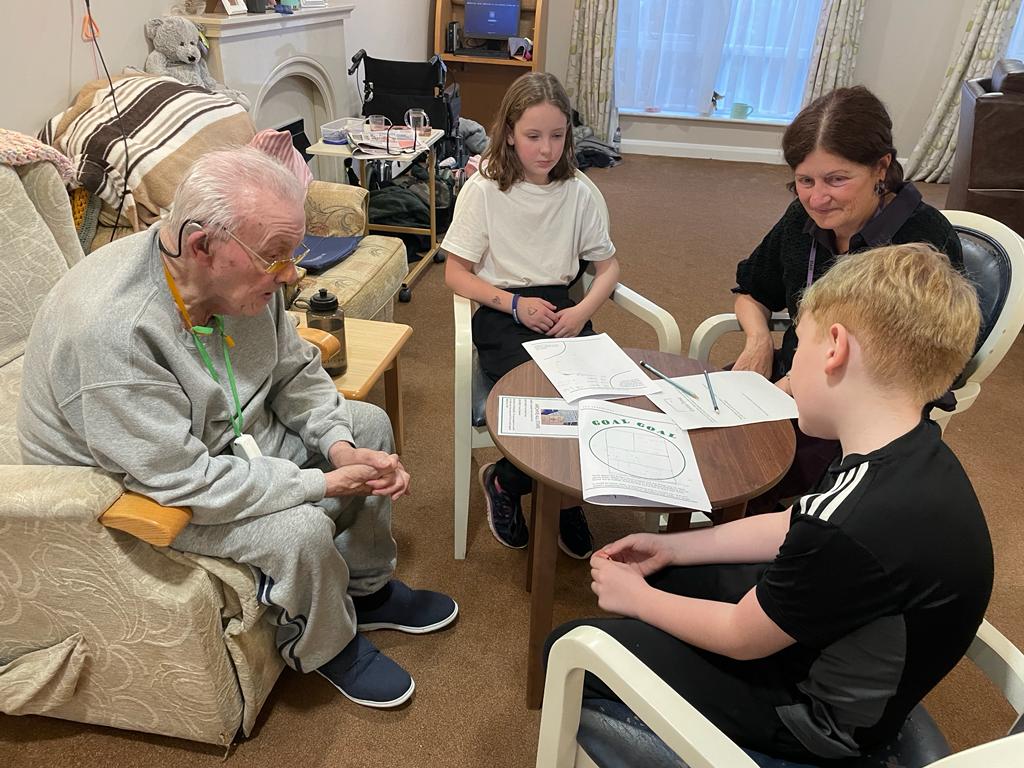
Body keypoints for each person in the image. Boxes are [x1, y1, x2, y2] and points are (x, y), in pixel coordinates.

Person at [17, 147, 457, 709]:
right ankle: (328, 646)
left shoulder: (244, 280)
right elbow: (180, 478)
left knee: (364, 425)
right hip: (138, 483)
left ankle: (366, 591)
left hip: (220, 435)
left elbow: (294, 368)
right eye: (275, 256)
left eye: (291, 253)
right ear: (201, 246)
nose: (292, 273)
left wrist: (338, 447)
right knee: (296, 531)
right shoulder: (114, 334)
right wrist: (320, 484)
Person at [546, 243, 992, 762]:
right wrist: (674, 547)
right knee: (666, 576)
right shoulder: (907, 447)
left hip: (817, 726)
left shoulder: (850, 526)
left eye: (795, 346)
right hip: (846, 642)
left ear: (834, 349)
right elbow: (791, 523)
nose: (788, 366)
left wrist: (635, 599)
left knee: (569, 645)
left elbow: (740, 636)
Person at [732, 86, 964, 513]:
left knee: (748, 463)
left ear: (881, 168)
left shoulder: (920, 241)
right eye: (805, 180)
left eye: (837, 179)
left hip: (861, 410)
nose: (817, 199)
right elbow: (751, 290)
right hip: (789, 381)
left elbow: (907, 368)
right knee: (704, 427)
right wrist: (758, 340)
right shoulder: (801, 217)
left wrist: (792, 391)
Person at [443, 72, 620, 559]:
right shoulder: (484, 190)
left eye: (557, 136)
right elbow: (456, 275)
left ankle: (561, 499)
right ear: (510, 133)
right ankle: (504, 482)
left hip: (564, 307)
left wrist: (581, 311)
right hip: (504, 309)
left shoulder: (580, 190)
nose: (546, 150)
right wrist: (516, 304)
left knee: (595, 403)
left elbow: (608, 268)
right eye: (533, 136)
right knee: (540, 410)